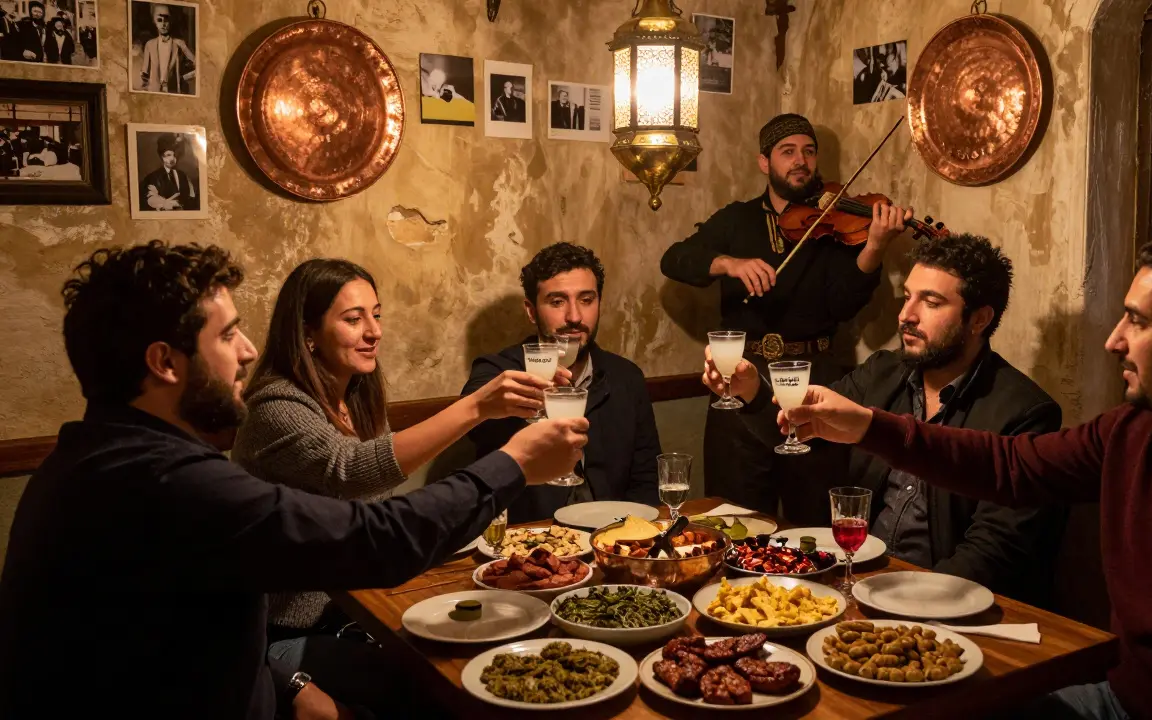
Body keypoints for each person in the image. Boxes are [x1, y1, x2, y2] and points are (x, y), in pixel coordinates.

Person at [0, 241, 588, 719]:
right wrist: (511, 462)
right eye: (227, 335)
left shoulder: (98, 457)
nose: (249, 350)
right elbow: (372, 536)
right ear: (165, 362)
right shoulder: (164, 483)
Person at [776, 231, 1152, 719]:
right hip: (1116, 695)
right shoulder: (1138, 429)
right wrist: (867, 425)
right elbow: (1010, 465)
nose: (1113, 341)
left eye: (1138, 321)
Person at [705, 233, 1066, 603]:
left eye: (931, 302)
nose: (906, 315)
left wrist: (904, 604)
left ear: (979, 319)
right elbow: (800, 432)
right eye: (908, 296)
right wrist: (751, 391)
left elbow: (993, 551)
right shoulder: (883, 371)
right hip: (860, 578)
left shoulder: (1024, 411)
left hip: (942, 600)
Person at [232, 259, 565, 645]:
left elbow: (374, 507)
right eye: (354, 319)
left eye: (376, 315)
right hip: (287, 633)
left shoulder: (356, 396)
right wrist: (478, 407)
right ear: (309, 332)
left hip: (357, 608)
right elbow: (350, 471)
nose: (374, 332)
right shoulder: (275, 405)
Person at [661, 113, 908, 525]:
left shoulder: (833, 223)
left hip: (815, 381)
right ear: (765, 163)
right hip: (739, 381)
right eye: (788, 151)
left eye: (809, 151)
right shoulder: (736, 219)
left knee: (811, 517)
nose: (801, 161)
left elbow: (843, 305)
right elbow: (675, 260)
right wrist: (728, 263)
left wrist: (876, 247)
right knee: (734, 518)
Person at [462, 242, 661, 523]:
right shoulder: (497, 370)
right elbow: (476, 422)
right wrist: (536, 392)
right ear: (532, 312)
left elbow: (646, 479)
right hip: (532, 542)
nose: (575, 317)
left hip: (613, 538)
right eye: (557, 301)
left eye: (586, 299)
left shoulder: (625, 377)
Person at [137, 3, 196, 94]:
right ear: (154, 22)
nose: (163, 24)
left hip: (174, 92)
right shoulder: (150, 45)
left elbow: (198, 64)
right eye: (159, 20)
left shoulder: (179, 44)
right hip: (154, 92)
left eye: (166, 19)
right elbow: (144, 74)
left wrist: (183, 78)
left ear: (171, 20)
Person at [141, 133, 197, 211]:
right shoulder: (153, 177)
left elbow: (191, 197)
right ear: (161, 157)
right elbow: (150, 199)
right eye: (168, 155)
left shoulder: (183, 175)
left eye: (175, 155)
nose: (172, 159)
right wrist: (164, 203)